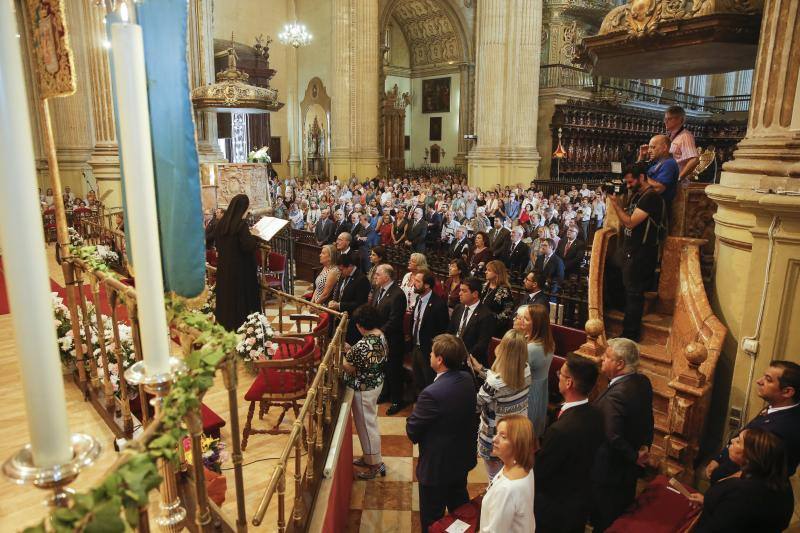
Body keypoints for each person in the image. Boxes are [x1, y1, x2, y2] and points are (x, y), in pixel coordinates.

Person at [406, 334, 478, 532]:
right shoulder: (466, 379)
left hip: (437, 468)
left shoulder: (431, 393)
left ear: (440, 360)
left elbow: (412, 431)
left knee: (432, 520)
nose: (429, 355)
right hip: (460, 460)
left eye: (432, 352)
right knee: (460, 513)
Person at [535, 353, 605, 533]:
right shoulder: (596, 414)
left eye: (561, 374)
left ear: (569, 383)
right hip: (580, 501)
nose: (558, 376)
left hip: (554, 511)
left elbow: (541, 474)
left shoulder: (560, 431)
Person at [590, 338, 654, 532]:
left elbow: (612, 435)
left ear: (620, 364)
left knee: (604, 520)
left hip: (609, 471)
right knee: (619, 514)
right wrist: (644, 447)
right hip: (627, 471)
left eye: (607, 356)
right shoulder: (643, 381)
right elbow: (649, 420)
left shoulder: (617, 394)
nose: (602, 358)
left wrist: (635, 456)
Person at [706, 360, 800, 483]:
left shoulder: (785, 429)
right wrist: (719, 458)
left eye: (768, 379)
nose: (759, 381)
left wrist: (722, 487)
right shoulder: (777, 406)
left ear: (787, 392)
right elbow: (745, 433)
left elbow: (759, 474)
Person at [691, 428, 794, 533]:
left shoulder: (742, 495)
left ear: (751, 456)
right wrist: (708, 501)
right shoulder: (778, 479)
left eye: (739, 441)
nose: (732, 441)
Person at [608, 164, 666, 341]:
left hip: (642, 252)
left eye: (631, 181)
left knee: (634, 293)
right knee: (612, 272)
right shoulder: (638, 195)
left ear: (642, 177)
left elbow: (631, 222)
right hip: (629, 248)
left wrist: (616, 205)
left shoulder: (651, 198)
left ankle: (630, 334)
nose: (628, 185)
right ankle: (621, 311)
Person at [468, 330, 531, 480]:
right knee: (510, 471)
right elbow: (504, 379)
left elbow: (475, 405)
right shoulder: (526, 369)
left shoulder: (495, 383)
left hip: (496, 436)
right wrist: (481, 369)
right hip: (516, 433)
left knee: (494, 478)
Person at [344, 305, 388, 480]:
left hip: (363, 389)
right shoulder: (381, 335)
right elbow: (368, 357)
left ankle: (375, 465)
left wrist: (342, 358)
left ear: (361, 325)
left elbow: (350, 369)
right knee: (369, 423)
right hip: (376, 383)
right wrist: (351, 351)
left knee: (366, 426)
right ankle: (369, 456)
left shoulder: (363, 345)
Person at [478, 415, 537, 533]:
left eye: (503, 436)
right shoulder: (523, 465)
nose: (494, 439)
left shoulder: (507, 489)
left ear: (518, 444)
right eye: (497, 433)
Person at [211, 194, 261, 331]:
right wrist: (255, 236)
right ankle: (242, 329)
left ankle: (225, 327)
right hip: (240, 270)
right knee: (240, 300)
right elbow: (248, 246)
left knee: (227, 298)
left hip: (224, 268)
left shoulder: (221, 223)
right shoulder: (240, 225)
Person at [372, 264, 408, 415]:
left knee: (393, 370)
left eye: (378, 274)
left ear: (387, 277)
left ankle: (396, 400)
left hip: (392, 339)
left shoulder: (397, 294)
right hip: (379, 337)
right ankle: (385, 393)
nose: (375, 277)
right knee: (383, 368)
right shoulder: (378, 290)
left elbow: (395, 320)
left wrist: (379, 331)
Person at [514, 304, 554, 438]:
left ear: (536, 324)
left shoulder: (532, 348)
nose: (521, 321)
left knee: (523, 435)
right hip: (539, 389)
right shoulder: (546, 342)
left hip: (528, 393)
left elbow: (513, 373)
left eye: (526, 319)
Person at [409, 269, 450, 392]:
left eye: (417, 281)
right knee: (417, 380)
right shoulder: (418, 299)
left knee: (429, 382)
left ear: (426, 285)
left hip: (429, 351)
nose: (414, 283)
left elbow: (443, 331)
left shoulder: (438, 304)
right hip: (416, 346)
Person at [448, 277, 496, 366]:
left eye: (464, 291)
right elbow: (451, 332)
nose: (460, 293)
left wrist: (463, 357)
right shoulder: (459, 308)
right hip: (453, 358)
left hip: (472, 363)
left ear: (475, 294)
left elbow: (482, 344)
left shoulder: (486, 315)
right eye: (460, 290)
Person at [328, 254, 370, 346]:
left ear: (350, 266)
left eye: (342, 269)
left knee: (347, 349)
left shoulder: (361, 279)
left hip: (352, 322)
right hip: (340, 317)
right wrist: (334, 301)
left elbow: (360, 303)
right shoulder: (343, 275)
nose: (340, 272)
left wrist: (339, 305)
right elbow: (339, 291)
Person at [639, 134, 679, 204]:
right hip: (647, 202)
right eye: (649, 148)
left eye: (653, 147)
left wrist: (642, 176)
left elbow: (659, 189)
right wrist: (641, 156)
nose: (649, 151)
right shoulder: (656, 162)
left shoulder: (669, 164)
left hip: (656, 207)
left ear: (664, 148)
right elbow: (635, 171)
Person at [663, 105, 699, 181]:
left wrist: (679, 178)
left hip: (675, 183)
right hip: (667, 178)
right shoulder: (670, 135)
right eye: (665, 119)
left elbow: (694, 160)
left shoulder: (685, 136)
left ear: (680, 120)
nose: (665, 121)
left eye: (669, 119)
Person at [480, 260, 516, 336]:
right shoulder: (485, 286)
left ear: (497, 273)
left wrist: (492, 320)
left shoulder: (504, 290)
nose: (485, 272)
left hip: (493, 328)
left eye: (489, 270)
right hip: (480, 324)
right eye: (486, 270)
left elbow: (507, 312)